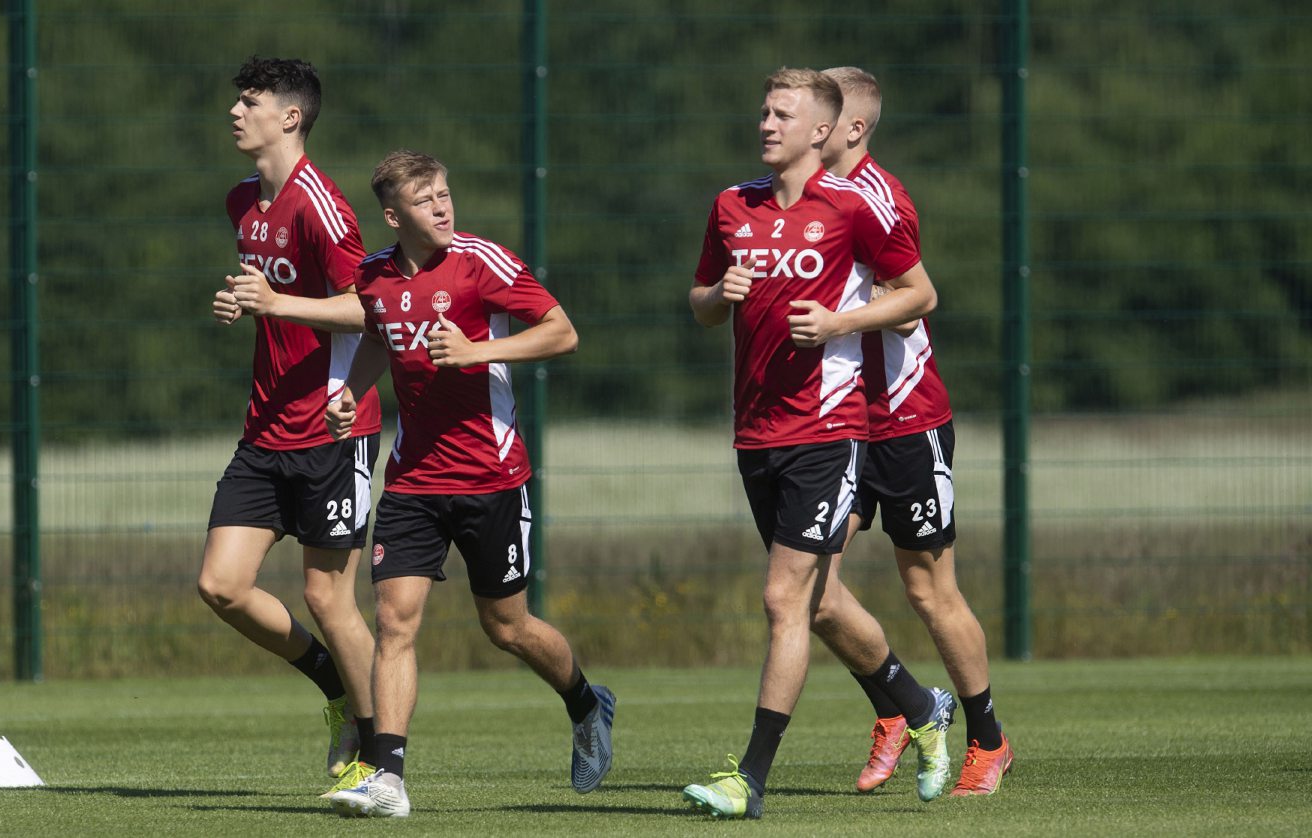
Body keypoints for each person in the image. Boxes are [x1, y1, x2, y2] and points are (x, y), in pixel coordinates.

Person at [680, 68, 955, 820]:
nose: (766, 123)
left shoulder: (853, 209)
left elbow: (919, 295)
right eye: (764, 109)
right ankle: (920, 706)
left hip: (829, 432)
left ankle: (751, 777)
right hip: (755, 432)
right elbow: (701, 303)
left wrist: (839, 323)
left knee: (782, 598)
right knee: (821, 600)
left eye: (782, 114)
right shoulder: (731, 205)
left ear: (820, 130)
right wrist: (718, 296)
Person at [323, 150, 615, 819]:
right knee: (394, 622)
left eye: (447, 194)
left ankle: (584, 702)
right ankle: (389, 779)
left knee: (506, 627)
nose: (444, 208)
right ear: (395, 216)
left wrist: (481, 350)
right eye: (427, 201)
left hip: (493, 477)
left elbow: (562, 333)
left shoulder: (483, 261)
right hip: (413, 482)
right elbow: (379, 333)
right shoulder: (373, 278)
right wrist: (350, 392)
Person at [818, 65, 1012, 797]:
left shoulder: (879, 198)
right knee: (807, 590)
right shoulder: (800, 196)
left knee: (929, 591)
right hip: (833, 426)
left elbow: (912, 300)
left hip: (904, 420)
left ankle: (989, 742)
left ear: (854, 127)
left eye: (820, 112)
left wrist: (840, 312)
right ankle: (902, 706)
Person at [198, 55, 380, 794]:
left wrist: (278, 305)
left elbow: (370, 308)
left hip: (333, 427)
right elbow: (276, 296)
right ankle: (335, 686)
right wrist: (245, 301)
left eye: (250, 101)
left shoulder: (323, 204)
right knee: (221, 585)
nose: (236, 112)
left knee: (330, 599)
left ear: (291, 116)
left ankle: (378, 755)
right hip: (265, 428)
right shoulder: (244, 200)